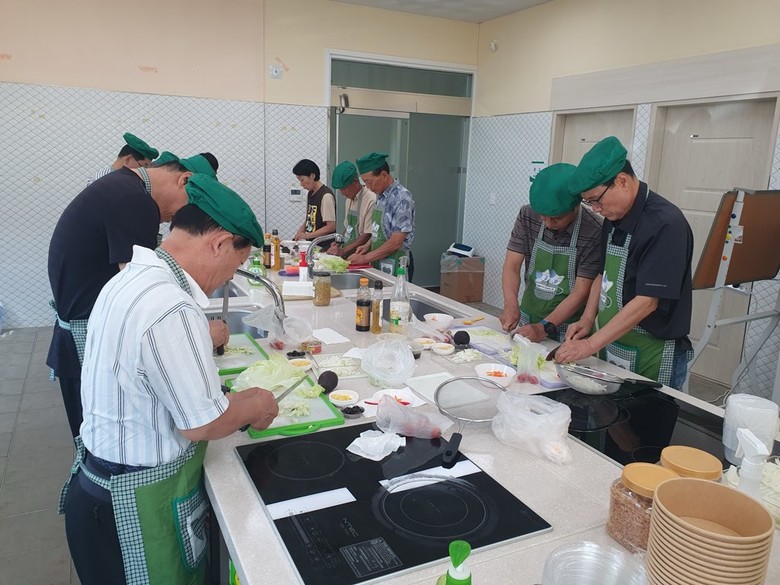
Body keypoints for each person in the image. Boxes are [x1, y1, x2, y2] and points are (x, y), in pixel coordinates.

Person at [61, 174, 279, 585]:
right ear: (219, 243)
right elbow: (201, 424)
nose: (225, 280)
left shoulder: (131, 278)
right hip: (134, 505)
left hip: (101, 489)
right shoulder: (171, 305)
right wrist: (256, 404)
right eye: (233, 267)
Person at [47, 157, 229, 438]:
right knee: (106, 438)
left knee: (94, 434)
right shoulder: (136, 202)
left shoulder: (120, 187)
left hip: (83, 327)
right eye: (187, 208)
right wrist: (199, 334)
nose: (178, 219)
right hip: (87, 334)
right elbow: (144, 293)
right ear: (184, 180)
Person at [555, 136, 694, 389]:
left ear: (622, 181)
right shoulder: (614, 217)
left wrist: (589, 345)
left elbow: (647, 301)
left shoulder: (665, 224)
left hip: (653, 351)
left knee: (649, 413)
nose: (595, 209)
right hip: (616, 342)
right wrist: (587, 318)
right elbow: (603, 274)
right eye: (589, 202)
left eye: (596, 199)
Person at [499, 163, 603, 342]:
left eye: (556, 218)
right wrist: (510, 303)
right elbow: (512, 265)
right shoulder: (527, 214)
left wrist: (544, 327)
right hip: (529, 317)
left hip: (569, 329)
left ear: (575, 206)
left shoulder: (594, 230)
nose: (548, 224)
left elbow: (581, 291)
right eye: (542, 216)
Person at [348, 152, 415, 280]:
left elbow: (396, 242)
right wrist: (367, 245)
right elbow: (379, 229)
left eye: (369, 182)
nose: (368, 187)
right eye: (365, 182)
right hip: (379, 261)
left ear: (384, 175)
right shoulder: (380, 195)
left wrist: (365, 258)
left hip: (397, 264)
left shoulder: (402, 198)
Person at [326, 160, 376, 258]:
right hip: (348, 251)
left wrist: (343, 250)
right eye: (340, 189)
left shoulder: (371, 200)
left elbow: (367, 234)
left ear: (355, 181)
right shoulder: (349, 200)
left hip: (361, 254)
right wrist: (338, 242)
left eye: (344, 188)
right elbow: (349, 227)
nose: (342, 193)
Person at [292, 159, 336, 241]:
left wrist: (307, 236)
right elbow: (310, 218)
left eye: (302, 180)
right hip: (312, 243)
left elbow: (331, 226)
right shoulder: (310, 193)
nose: (301, 184)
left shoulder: (326, 196)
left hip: (323, 245)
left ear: (312, 176)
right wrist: (301, 230)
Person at [89, 132, 158, 185]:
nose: (144, 171)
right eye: (143, 166)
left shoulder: (127, 179)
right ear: (128, 159)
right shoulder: (100, 180)